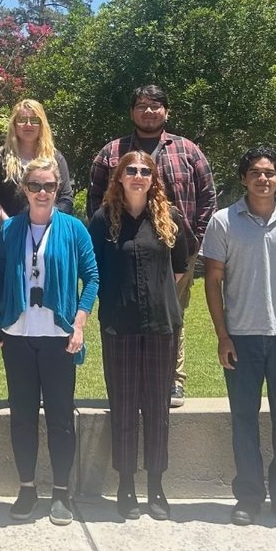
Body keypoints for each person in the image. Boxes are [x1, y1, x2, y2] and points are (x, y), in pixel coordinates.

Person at [201, 147, 276, 531]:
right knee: (244, 421)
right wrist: (223, 336)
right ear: (243, 178)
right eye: (255, 172)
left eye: (270, 173)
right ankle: (249, 497)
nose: (263, 179)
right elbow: (213, 280)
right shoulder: (223, 222)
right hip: (242, 338)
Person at [86, 85, 216, 408]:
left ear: (166, 112)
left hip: (175, 249)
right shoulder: (111, 152)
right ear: (132, 111)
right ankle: (131, 380)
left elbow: (208, 197)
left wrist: (194, 240)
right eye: (142, 105)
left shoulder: (188, 151)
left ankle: (173, 380)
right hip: (123, 248)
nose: (149, 111)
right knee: (126, 312)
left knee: (172, 312)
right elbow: (94, 199)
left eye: (156, 106)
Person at [0, 157, 99, 526]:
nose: (41, 192)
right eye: (35, 185)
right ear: (24, 188)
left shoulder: (74, 229)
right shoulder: (9, 230)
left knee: (60, 418)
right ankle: (26, 488)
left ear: (57, 190)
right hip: (18, 336)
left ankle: (61, 493)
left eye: (48, 186)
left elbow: (92, 277)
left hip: (57, 338)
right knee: (21, 417)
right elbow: (0, 278)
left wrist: (80, 322)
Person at [88, 151, 188, 521]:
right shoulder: (102, 220)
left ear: (153, 179)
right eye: (131, 169)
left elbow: (180, 268)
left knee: (157, 409)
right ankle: (126, 485)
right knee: (125, 407)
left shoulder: (169, 219)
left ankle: (156, 487)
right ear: (119, 176)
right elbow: (92, 268)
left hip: (161, 325)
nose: (138, 175)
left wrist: (157, 294)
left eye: (145, 171)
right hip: (119, 325)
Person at [0, 98, 74, 229]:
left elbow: (66, 198)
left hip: (49, 233)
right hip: (8, 235)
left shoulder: (56, 159)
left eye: (34, 120)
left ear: (42, 124)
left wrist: (48, 226)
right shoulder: (0, 158)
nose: (28, 125)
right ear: (14, 124)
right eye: (22, 120)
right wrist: (10, 227)